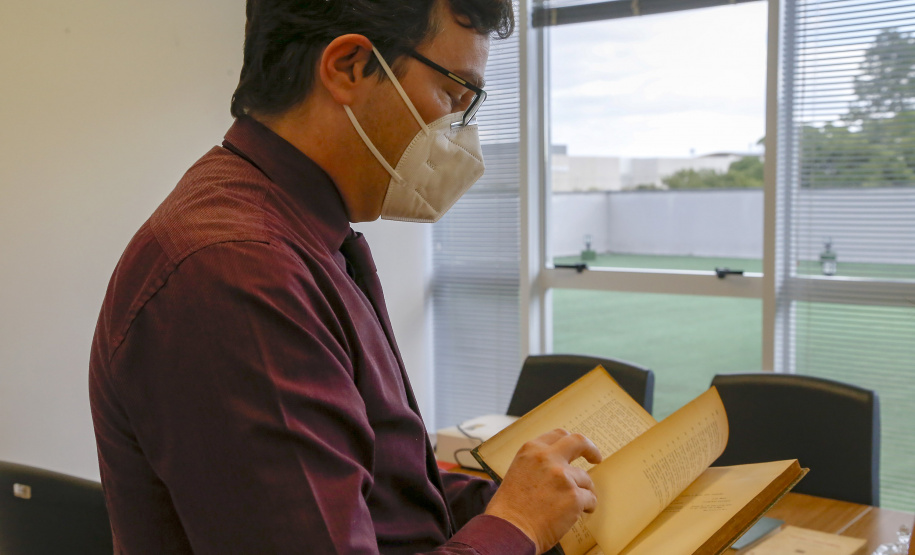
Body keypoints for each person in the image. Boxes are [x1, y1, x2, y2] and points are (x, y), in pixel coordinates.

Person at [89, 1, 601, 553]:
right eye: (455, 98)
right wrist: (516, 525)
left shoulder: (300, 237)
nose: (461, 135)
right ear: (349, 67)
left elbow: (383, 494)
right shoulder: (235, 270)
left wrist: (520, 500)